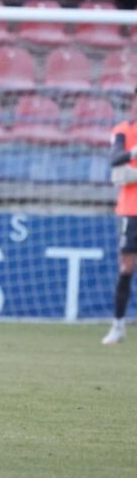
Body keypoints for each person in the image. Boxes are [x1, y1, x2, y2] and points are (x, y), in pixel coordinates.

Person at [103, 108, 137, 344]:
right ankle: (118, 325)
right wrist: (133, 153)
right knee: (126, 268)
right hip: (131, 209)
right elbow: (115, 159)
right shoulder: (124, 130)